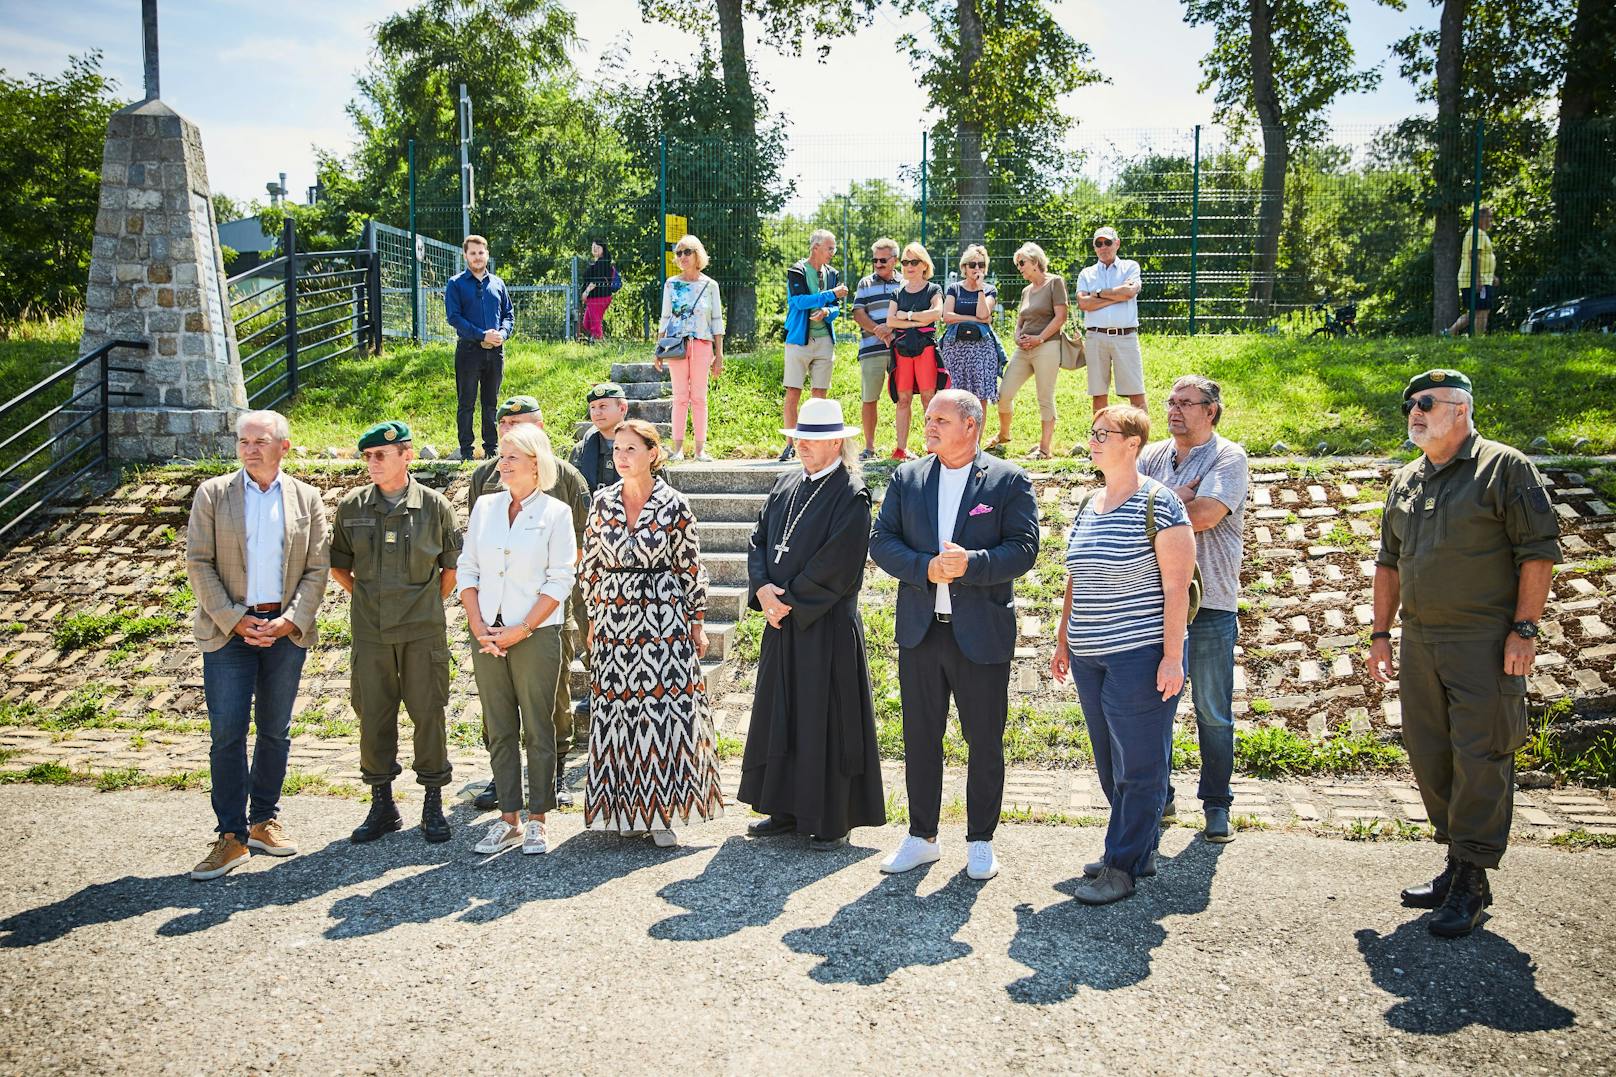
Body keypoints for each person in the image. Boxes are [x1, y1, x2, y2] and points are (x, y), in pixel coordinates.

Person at [1370, 369, 1560, 938]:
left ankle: (1473, 880)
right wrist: (1380, 634)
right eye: (1410, 403)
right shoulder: (1408, 478)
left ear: (1460, 409)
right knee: (1429, 752)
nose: (1415, 411)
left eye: (1426, 402)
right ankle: (1455, 864)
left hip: (1482, 642)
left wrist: (1524, 628)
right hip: (1420, 640)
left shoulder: (1505, 468)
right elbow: (1388, 562)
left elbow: (1538, 552)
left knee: (1481, 755)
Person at [869, 389, 1040, 880]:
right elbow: (882, 542)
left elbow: (1024, 549)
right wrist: (927, 568)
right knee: (920, 738)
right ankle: (921, 836)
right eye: (927, 417)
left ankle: (981, 840)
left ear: (971, 425)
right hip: (922, 630)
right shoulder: (909, 476)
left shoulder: (1007, 480)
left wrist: (971, 565)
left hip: (981, 633)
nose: (929, 424)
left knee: (984, 739)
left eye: (940, 418)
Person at [1052, 405, 1195, 906]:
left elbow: (1176, 588)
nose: (1092, 440)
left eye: (1102, 434)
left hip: (1139, 653)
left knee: (1140, 764)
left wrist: (1172, 658)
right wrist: (1063, 637)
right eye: (1090, 432)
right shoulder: (1089, 503)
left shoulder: (1161, 505)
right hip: (1090, 655)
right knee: (1109, 762)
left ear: (1132, 444)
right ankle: (1139, 846)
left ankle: (1123, 865)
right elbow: (1076, 576)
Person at [184, 410, 329, 880]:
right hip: (229, 632)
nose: (249, 448)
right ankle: (230, 836)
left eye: (260, 440)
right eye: (243, 440)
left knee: (275, 728)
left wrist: (290, 620)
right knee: (227, 731)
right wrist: (234, 619)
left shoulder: (307, 499)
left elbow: (316, 569)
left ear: (283, 446)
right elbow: (199, 563)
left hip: (283, 630)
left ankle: (263, 820)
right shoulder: (213, 494)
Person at [741, 398, 886, 849]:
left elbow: (838, 564)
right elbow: (759, 540)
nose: (803, 445)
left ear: (837, 442)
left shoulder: (851, 494)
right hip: (780, 621)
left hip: (822, 626)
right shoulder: (785, 485)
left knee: (825, 719)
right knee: (780, 714)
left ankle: (829, 817)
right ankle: (783, 808)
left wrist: (792, 601)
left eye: (814, 439)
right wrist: (763, 588)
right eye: (800, 437)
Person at [579, 419, 724, 847]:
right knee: (617, 713)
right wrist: (592, 618)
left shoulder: (675, 504)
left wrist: (696, 621)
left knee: (664, 716)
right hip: (614, 616)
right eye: (616, 450)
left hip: (663, 616)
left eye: (630, 449)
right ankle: (621, 811)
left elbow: (690, 565)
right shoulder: (601, 503)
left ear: (652, 454)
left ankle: (663, 812)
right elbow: (590, 566)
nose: (621, 457)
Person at [330, 421, 462, 845]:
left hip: (422, 631)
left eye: (381, 455)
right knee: (373, 714)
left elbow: (451, 571)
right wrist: (371, 600)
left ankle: (433, 803)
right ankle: (382, 803)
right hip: (371, 632)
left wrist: (419, 606)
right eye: (367, 456)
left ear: (406, 456)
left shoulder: (435, 506)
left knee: (429, 713)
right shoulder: (352, 507)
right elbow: (339, 567)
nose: (372, 463)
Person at [1137, 376, 1249, 841]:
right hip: (1151, 602)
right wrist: (1180, 495)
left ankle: (1216, 804)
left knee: (1212, 711)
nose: (1175, 409)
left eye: (1187, 403)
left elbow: (1206, 515)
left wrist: (1159, 504)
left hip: (1211, 604)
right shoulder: (1150, 456)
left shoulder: (1229, 457)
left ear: (1212, 411)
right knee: (1151, 708)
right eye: (1171, 401)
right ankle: (1158, 798)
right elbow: (1125, 508)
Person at [467, 396, 590, 813]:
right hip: (492, 616)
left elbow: (577, 547)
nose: (510, 431)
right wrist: (482, 620)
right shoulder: (485, 479)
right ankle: (501, 782)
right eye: (505, 424)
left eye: (521, 424)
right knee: (498, 709)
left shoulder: (567, 480)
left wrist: (532, 611)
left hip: (547, 611)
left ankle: (552, 776)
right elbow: (477, 553)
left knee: (550, 698)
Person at [779, 230, 848, 462]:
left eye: (833, 248)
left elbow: (837, 307)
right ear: (816, 247)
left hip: (825, 341)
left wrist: (828, 310)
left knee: (819, 395)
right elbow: (798, 302)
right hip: (799, 340)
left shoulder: (832, 273)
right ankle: (790, 445)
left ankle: (815, 443)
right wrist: (830, 295)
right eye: (830, 248)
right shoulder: (796, 271)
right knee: (793, 393)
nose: (833, 253)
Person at [444, 234, 514, 461]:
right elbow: (454, 317)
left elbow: (508, 315)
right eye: (472, 253)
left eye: (481, 252)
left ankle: (491, 448)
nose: (477, 257)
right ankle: (466, 450)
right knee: (466, 402)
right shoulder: (456, 284)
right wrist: (481, 334)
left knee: (490, 402)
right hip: (468, 351)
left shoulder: (497, 283)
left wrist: (501, 334)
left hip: (495, 351)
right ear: (465, 255)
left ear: (487, 254)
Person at [656, 234, 725, 463]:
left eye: (687, 252)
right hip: (676, 345)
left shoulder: (710, 285)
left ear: (698, 255)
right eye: (679, 253)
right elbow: (665, 317)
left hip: (703, 345)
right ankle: (677, 449)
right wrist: (659, 348)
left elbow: (717, 320)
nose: (682, 257)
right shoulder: (671, 284)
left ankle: (699, 450)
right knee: (679, 397)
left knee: (699, 397)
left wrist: (720, 354)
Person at [995, 242, 1067, 460]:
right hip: (1023, 349)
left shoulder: (1055, 282)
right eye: (1018, 264)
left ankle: (1045, 448)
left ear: (1035, 262)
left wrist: (1040, 338)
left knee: (1044, 396)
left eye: (1022, 263)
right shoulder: (1026, 290)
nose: (1019, 267)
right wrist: (1017, 336)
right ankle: (1004, 435)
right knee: (1004, 394)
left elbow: (1061, 317)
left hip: (1047, 346)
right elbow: (1020, 320)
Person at [1075, 226, 1146, 415]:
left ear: (1117, 243)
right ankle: (1100, 439)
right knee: (1099, 395)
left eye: (1107, 242)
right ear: (1094, 247)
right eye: (1098, 243)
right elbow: (1083, 303)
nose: (1103, 247)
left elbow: (1129, 292)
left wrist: (1097, 294)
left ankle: (1142, 442)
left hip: (1125, 336)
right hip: (1095, 337)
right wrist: (1118, 294)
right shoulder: (1086, 273)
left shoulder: (1130, 267)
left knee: (1136, 394)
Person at [885, 242, 945, 461]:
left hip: (926, 348)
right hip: (902, 350)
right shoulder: (897, 291)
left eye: (914, 261)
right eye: (905, 262)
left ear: (924, 264)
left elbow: (937, 313)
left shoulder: (933, 289)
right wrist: (918, 320)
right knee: (903, 399)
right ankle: (901, 449)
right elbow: (890, 320)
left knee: (929, 398)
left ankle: (932, 447)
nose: (909, 266)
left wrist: (907, 317)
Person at [939, 244, 1006, 426]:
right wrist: (974, 318)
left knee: (980, 396)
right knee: (956, 397)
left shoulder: (989, 290)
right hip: (956, 349)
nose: (977, 268)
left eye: (981, 265)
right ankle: (956, 439)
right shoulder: (954, 288)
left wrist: (979, 289)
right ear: (964, 267)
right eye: (972, 265)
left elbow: (984, 314)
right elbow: (947, 316)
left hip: (981, 349)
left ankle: (976, 444)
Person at [850, 238, 904, 460]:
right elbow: (858, 313)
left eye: (883, 260)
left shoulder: (905, 282)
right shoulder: (865, 283)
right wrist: (879, 330)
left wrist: (891, 329)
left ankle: (901, 447)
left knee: (904, 398)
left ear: (895, 260)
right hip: (871, 349)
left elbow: (908, 311)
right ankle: (869, 447)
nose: (878, 264)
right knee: (869, 398)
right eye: (875, 260)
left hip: (899, 349)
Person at [1448, 207, 1498, 337]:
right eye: (1489, 217)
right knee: (1482, 310)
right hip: (1475, 279)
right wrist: (1477, 279)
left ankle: (1450, 332)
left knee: (1477, 311)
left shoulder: (1478, 233)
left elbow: (1482, 258)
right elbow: (1474, 255)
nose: (1491, 220)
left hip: (1480, 278)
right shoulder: (1477, 234)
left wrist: (1491, 275)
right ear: (1480, 219)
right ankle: (1477, 339)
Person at [571, 381, 629, 493]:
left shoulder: (641, 447)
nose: (596, 412)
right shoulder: (580, 450)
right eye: (593, 407)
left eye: (603, 406)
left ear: (622, 408)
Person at [578, 238, 616, 343]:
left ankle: (599, 344)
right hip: (593, 299)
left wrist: (586, 293)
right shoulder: (598, 262)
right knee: (587, 323)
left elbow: (595, 281)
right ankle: (595, 339)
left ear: (603, 249)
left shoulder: (602, 262)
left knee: (595, 323)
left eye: (597, 247)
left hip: (599, 298)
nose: (595, 249)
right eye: (593, 247)